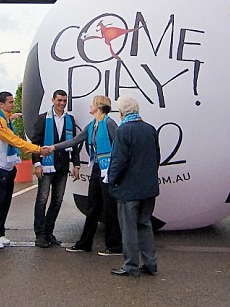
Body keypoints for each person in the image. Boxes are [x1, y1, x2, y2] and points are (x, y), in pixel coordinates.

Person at [57, 95, 123, 256]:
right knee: (92, 206)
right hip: (97, 168)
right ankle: (85, 243)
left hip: (108, 170)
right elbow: (76, 140)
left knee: (110, 207)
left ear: (99, 106)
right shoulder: (93, 124)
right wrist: (53, 147)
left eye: (92, 104)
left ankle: (115, 246)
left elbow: (119, 146)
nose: (90, 106)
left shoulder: (108, 123)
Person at [0, 91, 51, 249]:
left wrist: (12, 118)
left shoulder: (6, 119)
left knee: (5, 201)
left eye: (13, 102)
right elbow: (14, 140)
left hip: (7, 166)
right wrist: (37, 150)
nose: (13, 105)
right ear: (1, 105)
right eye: (10, 102)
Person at [106, 96, 160, 277]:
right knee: (144, 224)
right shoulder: (150, 129)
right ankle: (150, 262)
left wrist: (112, 180)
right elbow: (157, 158)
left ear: (121, 113)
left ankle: (131, 265)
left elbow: (118, 161)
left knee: (128, 228)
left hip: (128, 189)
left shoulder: (123, 131)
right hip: (148, 187)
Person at [29, 89, 81, 247]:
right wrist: (37, 164)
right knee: (42, 200)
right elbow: (35, 143)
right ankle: (39, 234)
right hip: (45, 165)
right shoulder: (43, 119)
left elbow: (74, 143)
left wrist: (76, 164)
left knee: (57, 201)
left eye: (64, 101)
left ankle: (49, 231)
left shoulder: (70, 119)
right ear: (52, 100)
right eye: (59, 100)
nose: (62, 104)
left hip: (62, 166)